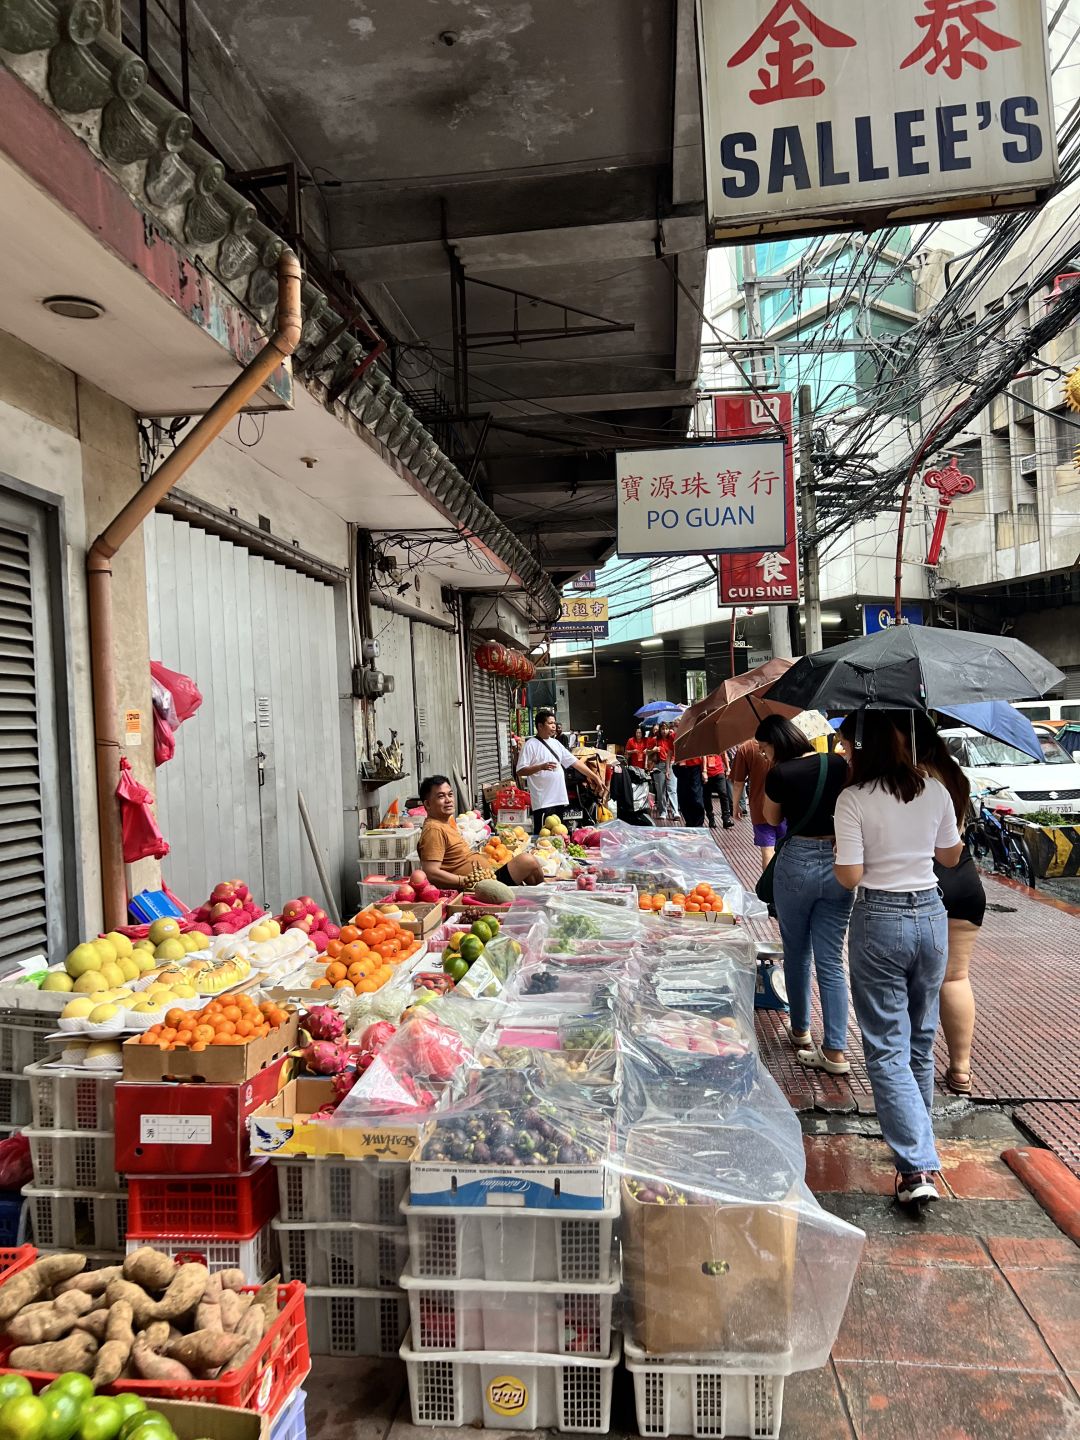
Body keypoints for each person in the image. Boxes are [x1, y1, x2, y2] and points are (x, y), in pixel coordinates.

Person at [833, 712, 964, 1208]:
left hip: (880, 921)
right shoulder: (934, 791)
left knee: (887, 1045)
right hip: (931, 918)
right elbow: (950, 857)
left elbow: (849, 876)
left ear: (863, 748)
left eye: (848, 745)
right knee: (919, 1039)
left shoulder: (852, 799)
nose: (844, 752)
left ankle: (914, 1168)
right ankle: (920, 1151)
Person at [758, 716, 853, 1073]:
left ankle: (800, 1031)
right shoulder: (837, 762)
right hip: (839, 859)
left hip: (797, 860)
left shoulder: (780, 774)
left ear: (776, 743)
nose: (765, 756)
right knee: (831, 960)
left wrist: (774, 779)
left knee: (797, 951)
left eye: (765, 749)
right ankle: (836, 1051)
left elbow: (769, 817)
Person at [912, 712, 985, 1096]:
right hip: (965, 880)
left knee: (913, 980)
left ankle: (911, 1068)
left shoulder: (909, 779)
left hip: (924, 882)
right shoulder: (956, 776)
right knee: (955, 977)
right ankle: (961, 1069)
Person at [418, 775, 543, 889]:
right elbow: (431, 872)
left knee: (530, 873)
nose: (448, 800)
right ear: (427, 804)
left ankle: (543, 893)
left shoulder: (444, 823)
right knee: (527, 861)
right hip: (479, 887)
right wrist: (465, 881)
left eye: (450, 794)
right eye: (441, 796)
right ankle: (545, 893)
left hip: (486, 879)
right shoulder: (434, 829)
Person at [517, 711, 603, 830]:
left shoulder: (556, 743)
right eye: (550, 723)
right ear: (540, 726)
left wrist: (595, 777)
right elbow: (520, 771)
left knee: (559, 836)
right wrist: (541, 767)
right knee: (544, 838)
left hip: (559, 799)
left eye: (554, 723)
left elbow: (576, 763)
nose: (554, 726)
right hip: (543, 802)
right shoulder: (530, 745)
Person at [730, 738, 783, 869]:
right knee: (786, 850)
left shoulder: (746, 747)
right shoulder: (784, 743)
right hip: (784, 806)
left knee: (767, 851)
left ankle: (768, 887)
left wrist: (735, 806)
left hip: (760, 807)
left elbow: (738, 783)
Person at [648, 722, 677, 822]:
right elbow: (646, 752)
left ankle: (675, 812)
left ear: (669, 729)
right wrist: (653, 750)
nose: (664, 731)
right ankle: (663, 811)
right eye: (662, 729)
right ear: (659, 730)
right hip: (659, 765)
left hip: (671, 764)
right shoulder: (655, 740)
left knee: (672, 789)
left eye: (666, 728)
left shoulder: (672, 738)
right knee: (660, 791)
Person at [673, 752, 708, 828]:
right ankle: (689, 822)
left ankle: (698, 824)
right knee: (683, 797)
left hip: (695, 768)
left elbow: (704, 753)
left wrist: (704, 771)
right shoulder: (675, 740)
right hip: (681, 769)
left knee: (696, 797)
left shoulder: (697, 740)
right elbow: (671, 752)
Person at [704, 753, 734, 829]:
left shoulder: (717, 743)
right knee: (706, 796)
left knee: (723, 793)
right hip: (706, 773)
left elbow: (724, 754)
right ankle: (711, 818)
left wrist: (728, 768)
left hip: (719, 772)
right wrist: (703, 771)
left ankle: (726, 818)